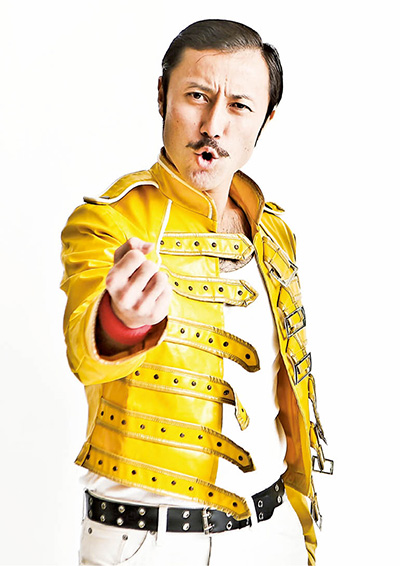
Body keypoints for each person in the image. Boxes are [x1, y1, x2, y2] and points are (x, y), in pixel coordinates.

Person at [61, 19, 333, 566]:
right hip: (147, 544)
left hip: (271, 534)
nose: (213, 125)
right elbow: (85, 351)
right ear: (162, 95)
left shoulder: (274, 231)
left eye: (239, 106)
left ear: (266, 119)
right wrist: (122, 321)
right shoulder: (109, 222)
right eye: (196, 97)